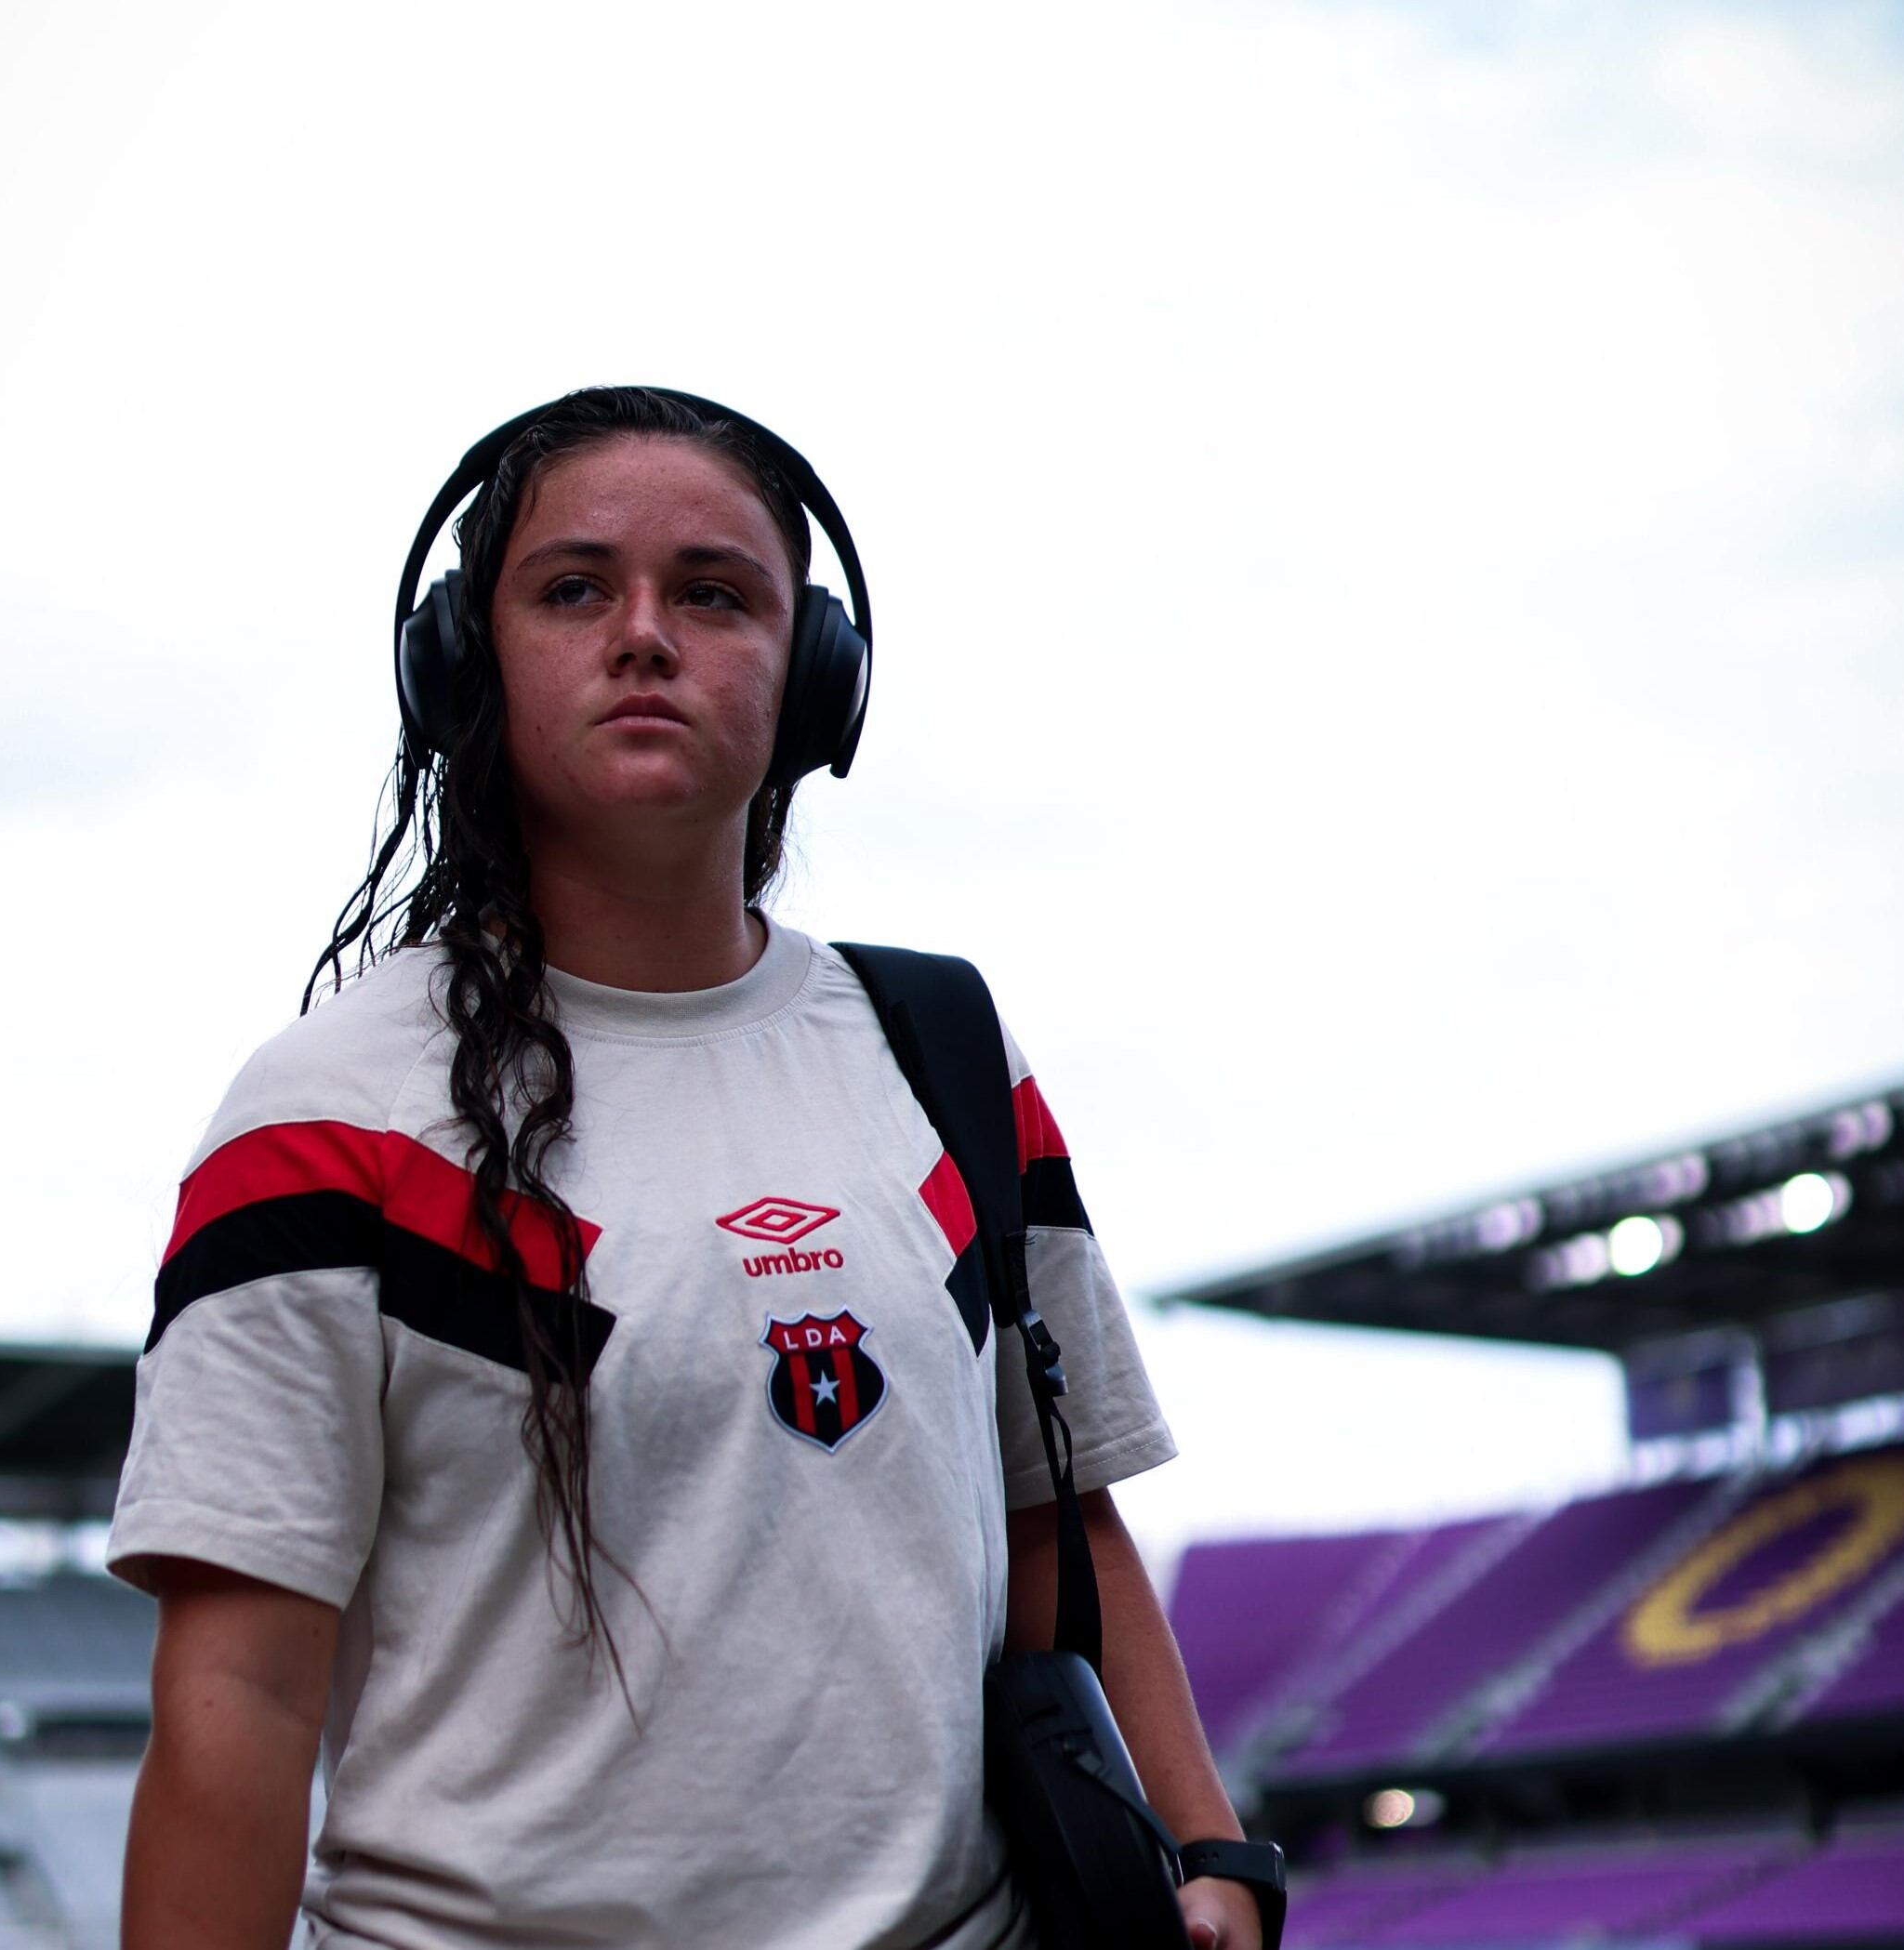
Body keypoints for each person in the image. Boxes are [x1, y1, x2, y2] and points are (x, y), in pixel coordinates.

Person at [109, 387, 1263, 1950]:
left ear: (812, 682)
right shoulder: (320, 1117)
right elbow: (238, 1691)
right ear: (470, 663)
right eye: (575, 588)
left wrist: (1213, 1855)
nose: (644, 634)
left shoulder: (948, 1054)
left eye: (715, 594)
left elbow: (1062, 1524)